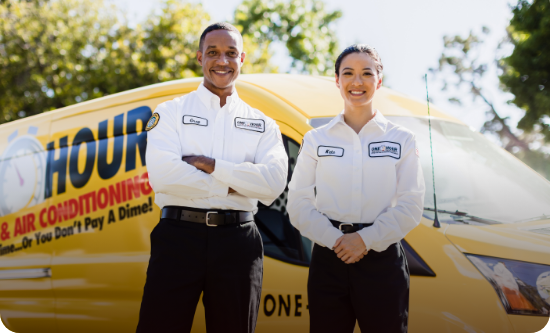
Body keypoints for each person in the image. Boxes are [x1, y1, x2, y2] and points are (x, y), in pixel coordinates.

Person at [136, 22, 288, 333]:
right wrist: (239, 184)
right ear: (199, 57)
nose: (222, 61)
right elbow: (163, 176)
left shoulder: (264, 124)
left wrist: (212, 165)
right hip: (178, 237)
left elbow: (273, 184)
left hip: (238, 243)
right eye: (213, 52)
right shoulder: (169, 113)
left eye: (231, 53)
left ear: (242, 59)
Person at [287, 44, 425, 333]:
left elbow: (411, 205)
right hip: (329, 257)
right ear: (337, 80)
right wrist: (336, 240)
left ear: (379, 80)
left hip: (383, 261)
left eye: (366, 73)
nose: (357, 81)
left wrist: (365, 239)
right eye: (348, 73)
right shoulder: (316, 140)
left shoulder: (403, 139)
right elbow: (298, 203)